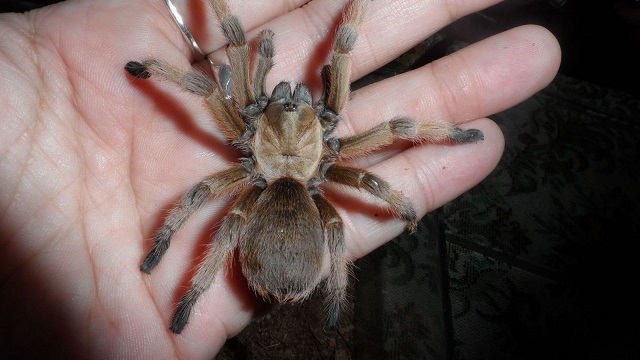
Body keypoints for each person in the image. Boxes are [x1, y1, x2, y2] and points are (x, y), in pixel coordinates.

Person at [0, 0, 561, 358]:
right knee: (336, 197)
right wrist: (400, 204)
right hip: (292, 201)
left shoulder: (245, 140)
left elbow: (223, 66)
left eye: (289, 104)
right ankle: (302, 296)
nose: (289, 102)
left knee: (218, 193)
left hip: (265, 196)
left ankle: (196, 294)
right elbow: (383, 129)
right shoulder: (330, 147)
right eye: (288, 102)